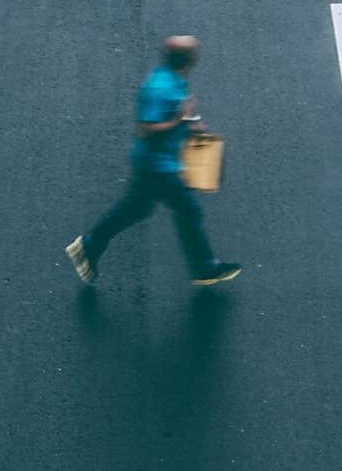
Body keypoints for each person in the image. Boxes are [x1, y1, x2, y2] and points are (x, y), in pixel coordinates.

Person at [65, 36, 241, 288]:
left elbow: (180, 114)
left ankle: (89, 245)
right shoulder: (161, 87)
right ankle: (204, 268)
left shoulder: (174, 79)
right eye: (195, 52)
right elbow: (146, 129)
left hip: (159, 164)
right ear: (189, 59)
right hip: (157, 167)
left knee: (136, 209)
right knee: (188, 210)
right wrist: (180, 120)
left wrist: (195, 125)